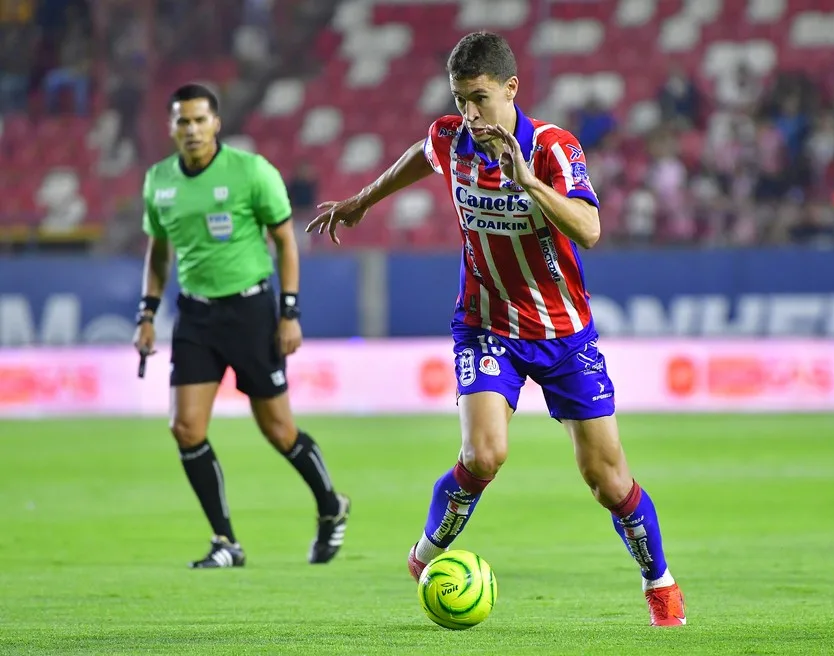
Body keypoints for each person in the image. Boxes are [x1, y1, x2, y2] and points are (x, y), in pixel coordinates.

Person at [307, 32, 686, 626]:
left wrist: (528, 182)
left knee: (608, 480)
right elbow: (421, 152)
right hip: (486, 326)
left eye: (479, 98)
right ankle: (427, 554)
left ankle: (658, 582)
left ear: (511, 89)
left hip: (565, 334)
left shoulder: (554, 150)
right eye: (460, 99)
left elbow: (589, 230)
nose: (469, 113)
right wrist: (362, 199)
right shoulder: (451, 138)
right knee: (483, 454)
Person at [134, 84, 350, 569]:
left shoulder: (251, 172)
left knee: (279, 431)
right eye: (181, 121)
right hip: (195, 315)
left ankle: (331, 507)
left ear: (216, 123)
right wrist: (146, 315)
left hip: (251, 313)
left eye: (199, 120)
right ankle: (225, 541)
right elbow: (158, 253)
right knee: (185, 427)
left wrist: (288, 311)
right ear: (171, 128)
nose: (190, 129)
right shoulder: (158, 182)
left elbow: (285, 242)